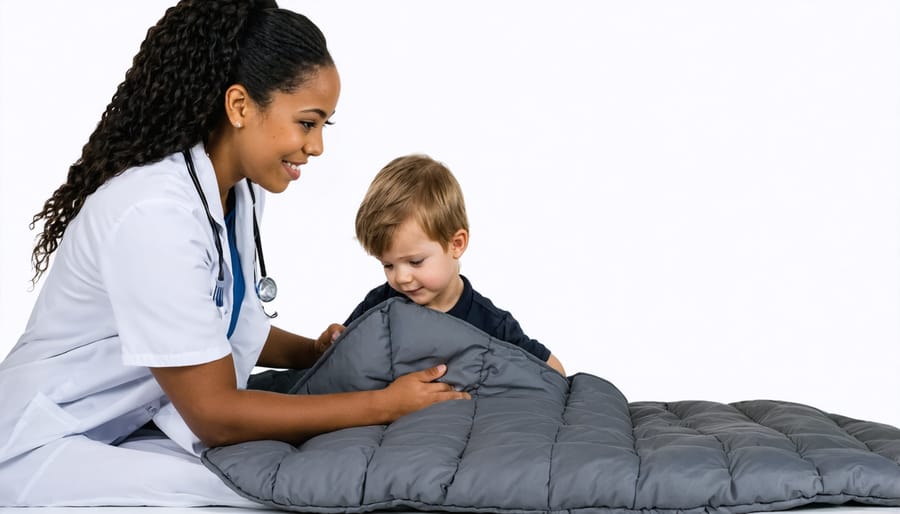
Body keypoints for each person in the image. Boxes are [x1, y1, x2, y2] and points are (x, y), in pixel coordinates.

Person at [0, 0, 468, 507]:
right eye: (307, 123)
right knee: (278, 498)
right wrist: (382, 406)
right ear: (240, 106)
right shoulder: (153, 214)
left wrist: (312, 351)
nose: (316, 148)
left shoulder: (239, 193)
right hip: (49, 440)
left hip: (133, 423)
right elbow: (215, 413)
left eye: (323, 126)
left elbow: (218, 325)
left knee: (313, 482)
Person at [344, 154, 567, 375]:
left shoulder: (491, 324)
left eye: (415, 262)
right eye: (388, 265)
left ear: (456, 244)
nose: (400, 278)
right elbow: (336, 357)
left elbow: (554, 371)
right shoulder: (379, 305)